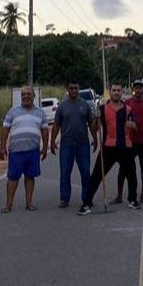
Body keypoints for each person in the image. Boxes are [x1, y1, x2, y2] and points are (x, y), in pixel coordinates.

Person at [87, 83, 141, 211]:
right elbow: (94, 128)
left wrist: (132, 125)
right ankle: (87, 202)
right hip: (108, 147)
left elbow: (135, 127)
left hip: (125, 147)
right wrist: (96, 119)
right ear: (110, 92)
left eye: (118, 90)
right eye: (114, 90)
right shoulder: (102, 109)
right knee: (97, 175)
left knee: (131, 175)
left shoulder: (128, 109)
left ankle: (132, 200)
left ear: (122, 92)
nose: (116, 92)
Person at [50, 82, 99, 215]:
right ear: (67, 90)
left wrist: (95, 138)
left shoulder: (85, 105)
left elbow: (91, 124)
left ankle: (86, 198)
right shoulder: (62, 106)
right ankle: (64, 198)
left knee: (85, 172)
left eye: (76, 88)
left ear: (78, 89)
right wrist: (52, 142)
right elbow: (56, 125)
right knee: (65, 172)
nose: (73, 90)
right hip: (66, 144)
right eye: (71, 88)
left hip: (83, 144)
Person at [0, 86, 49, 213]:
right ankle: (8, 205)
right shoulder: (13, 111)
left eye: (28, 94)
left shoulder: (40, 113)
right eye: (23, 94)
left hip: (33, 150)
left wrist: (44, 148)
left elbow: (44, 130)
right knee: (13, 177)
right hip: (16, 150)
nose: (26, 96)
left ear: (34, 96)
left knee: (30, 177)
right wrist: (3, 146)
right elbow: (5, 129)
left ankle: (29, 203)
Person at [113, 80, 143, 205]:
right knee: (124, 169)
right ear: (133, 89)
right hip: (130, 142)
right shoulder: (127, 103)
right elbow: (120, 121)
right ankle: (119, 195)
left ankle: (142, 195)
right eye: (136, 87)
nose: (139, 90)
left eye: (141, 87)